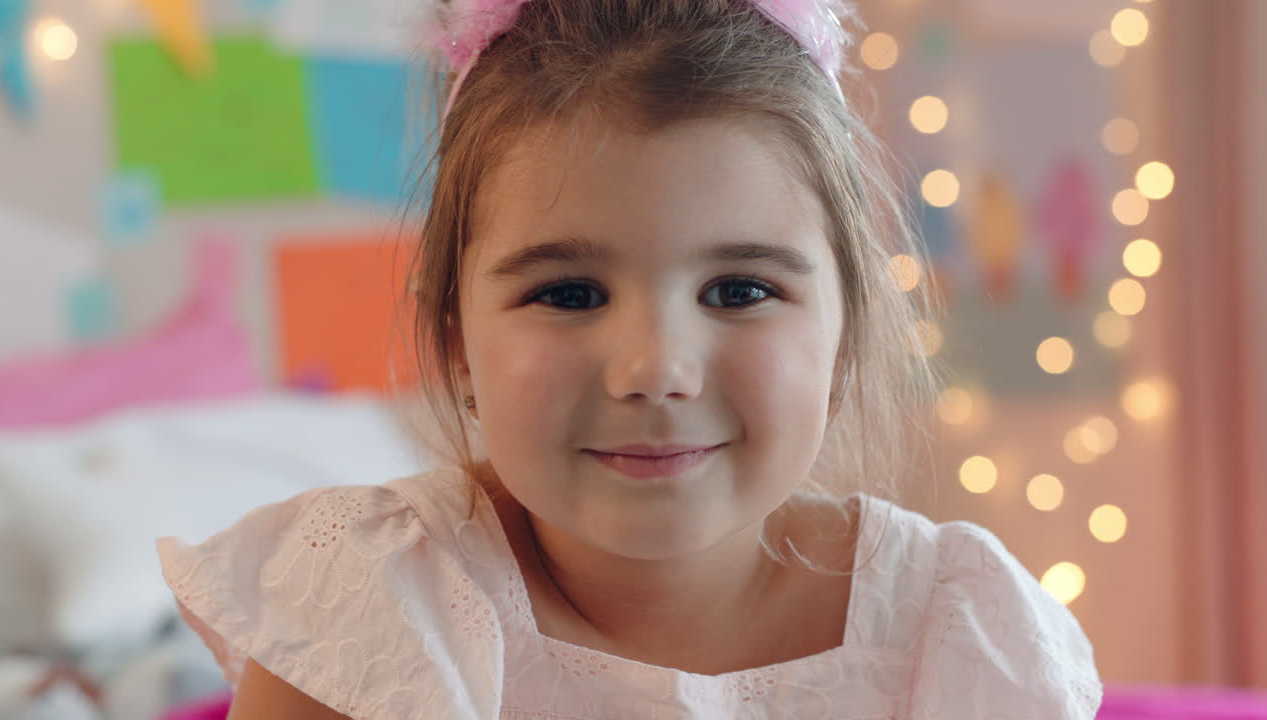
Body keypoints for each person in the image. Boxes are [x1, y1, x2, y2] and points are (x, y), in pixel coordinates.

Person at [156, 0, 1104, 717]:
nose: (655, 369)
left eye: (739, 291)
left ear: (847, 331)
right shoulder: (365, 612)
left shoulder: (959, 629)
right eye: (567, 294)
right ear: (454, 340)